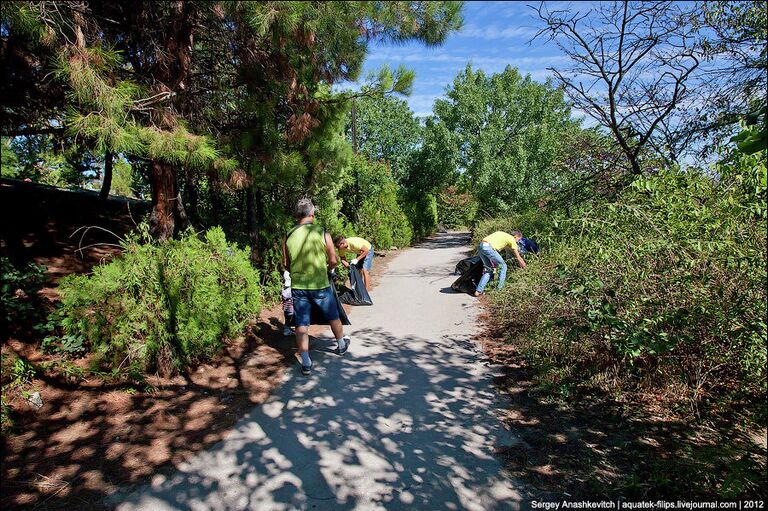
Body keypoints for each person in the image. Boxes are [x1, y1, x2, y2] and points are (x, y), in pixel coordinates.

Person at [282, 198, 350, 375]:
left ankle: (306, 362)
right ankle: (341, 345)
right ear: (312, 214)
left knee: (301, 323)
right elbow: (334, 260)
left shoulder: (289, 235)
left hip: (299, 287)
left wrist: (297, 271)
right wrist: (327, 269)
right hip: (320, 284)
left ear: (298, 215)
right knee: (333, 315)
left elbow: (285, 263)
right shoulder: (322, 233)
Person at [474, 230, 526, 297]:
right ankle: (499, 290)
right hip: (488, 248)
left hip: (481, 246)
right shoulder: (512, 239)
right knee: (503, 266)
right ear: (515, 236)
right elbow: (518, 257)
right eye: (518, 240)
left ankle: (478, 291)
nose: (518, 242)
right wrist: (524, 267)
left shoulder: (502, 234)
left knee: (490, 269)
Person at [281, 270, 295, 337]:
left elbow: (283, 298)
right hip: (290, 307)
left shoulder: (284, 288)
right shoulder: (291, 288)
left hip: (286, 307)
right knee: (290, 318)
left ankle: (287, 330)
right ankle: (287, 330)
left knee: (287, 319)